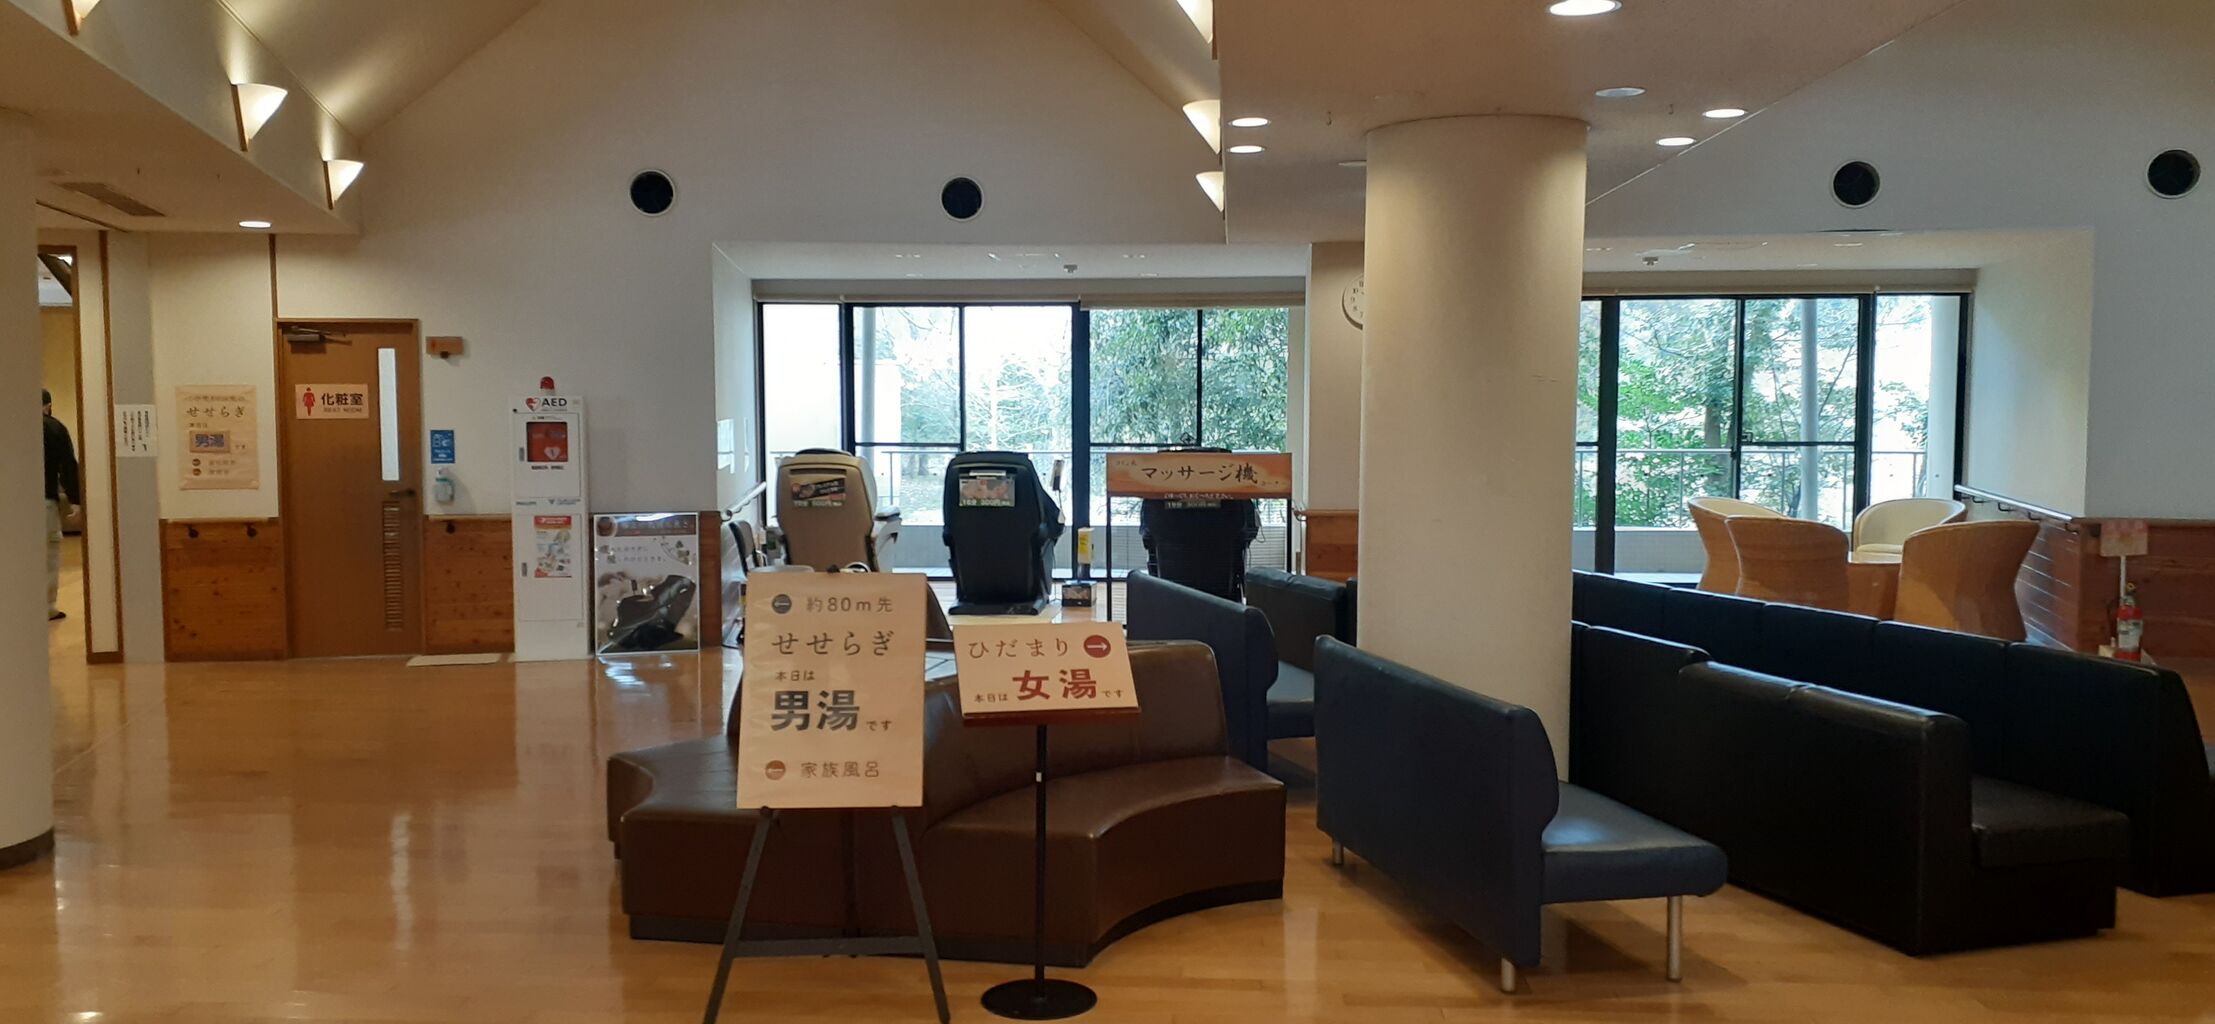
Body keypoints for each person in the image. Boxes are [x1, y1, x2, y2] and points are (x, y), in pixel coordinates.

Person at [44, 388, 81, 622]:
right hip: (44, 500)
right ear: (48, 406)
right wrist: (75, 500)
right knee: (48, 553)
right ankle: (46, 607)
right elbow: (68, 466)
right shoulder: (54, 427)